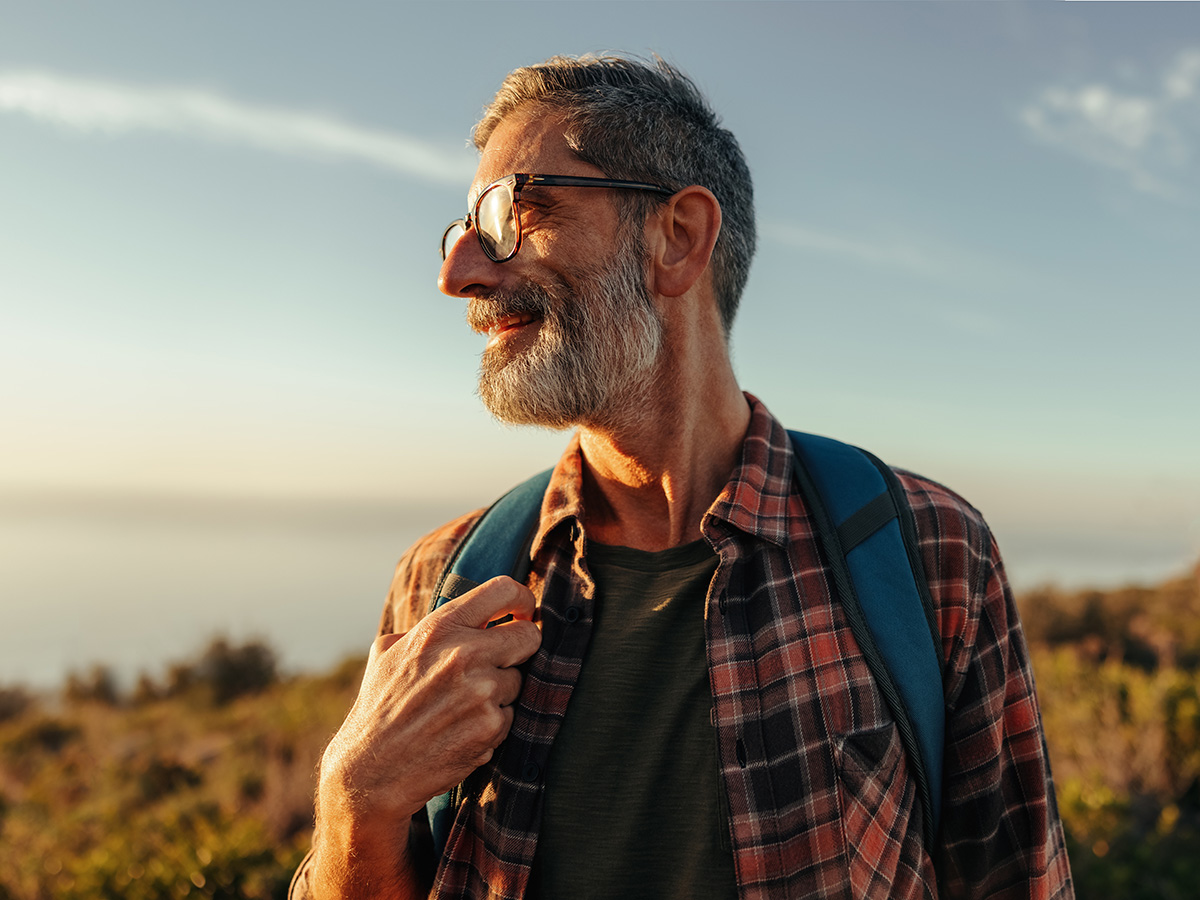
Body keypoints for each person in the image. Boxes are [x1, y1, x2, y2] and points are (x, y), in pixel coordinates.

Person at [291, 54, 1073, 900]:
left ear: (679, 237)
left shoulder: (927, 552)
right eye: (461, 232)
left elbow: (1019, 879)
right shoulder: (444, 582)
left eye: (510, 212)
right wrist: (352, 806)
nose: (461, 275)